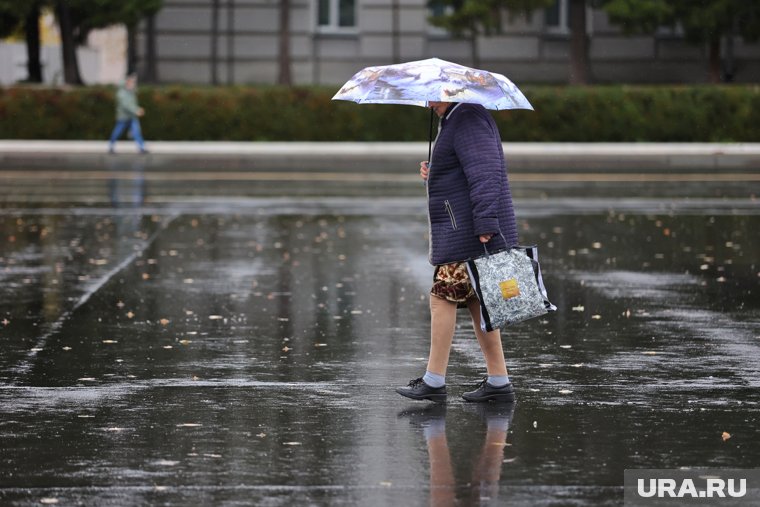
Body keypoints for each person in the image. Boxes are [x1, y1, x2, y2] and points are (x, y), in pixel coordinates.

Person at [396, 101, 518, 404]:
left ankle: (434, 381)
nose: (429, 103)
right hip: (465, 228)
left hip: (468, 232)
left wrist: (487, 220)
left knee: (442, 297)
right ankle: (499, 381)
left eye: (434, 96)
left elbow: (486, 172)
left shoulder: (467, 118)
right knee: (478, 300)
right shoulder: (456, 119)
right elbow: (463, 169)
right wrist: (436, 173)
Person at [108, 74, 148, 154]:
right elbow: (126, 105)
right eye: (131, 83)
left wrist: (136, 109)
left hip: (132, 117)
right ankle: (111, 147)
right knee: (117, 132)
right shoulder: (121, 93)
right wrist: (136, 110)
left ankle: (141, 148)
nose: (133, 84)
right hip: (123, 117)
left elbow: (133, 102)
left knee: (137, 132)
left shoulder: (131, 92)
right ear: (126, 83)